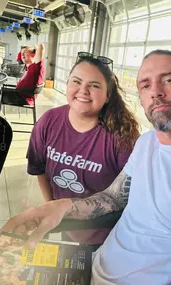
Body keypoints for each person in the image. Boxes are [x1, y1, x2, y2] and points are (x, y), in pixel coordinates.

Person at [0, 50, 171, 285]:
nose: (156, 92)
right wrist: (61, 206)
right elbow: (112, 198)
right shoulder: (147, 143)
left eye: (168, 80)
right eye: (145, 85)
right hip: (93, 268)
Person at [26, 54, 139, 245]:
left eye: (95, 85)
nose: (83, 90)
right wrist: (52, 206)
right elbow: (40, 168)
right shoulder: (48, 121)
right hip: (66, 226)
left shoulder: (121, 136)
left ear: (108, 94)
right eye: (76, 81)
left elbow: (131, 196)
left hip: (109, 236)